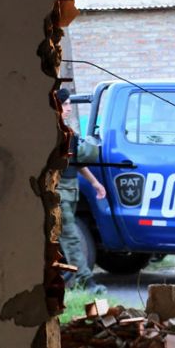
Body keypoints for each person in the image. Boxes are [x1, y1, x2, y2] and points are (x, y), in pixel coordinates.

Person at [57, 88, 107, 294]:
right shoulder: (53, 133)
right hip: (58, 194)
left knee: (62, 238)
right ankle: (86, 282)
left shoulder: (67, 133)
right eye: (65, 104)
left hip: (70, 191)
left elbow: (77, 161)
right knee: (70, 237)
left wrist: (95, 183)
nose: (69, 108)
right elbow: (83, 153)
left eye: (69, 104)